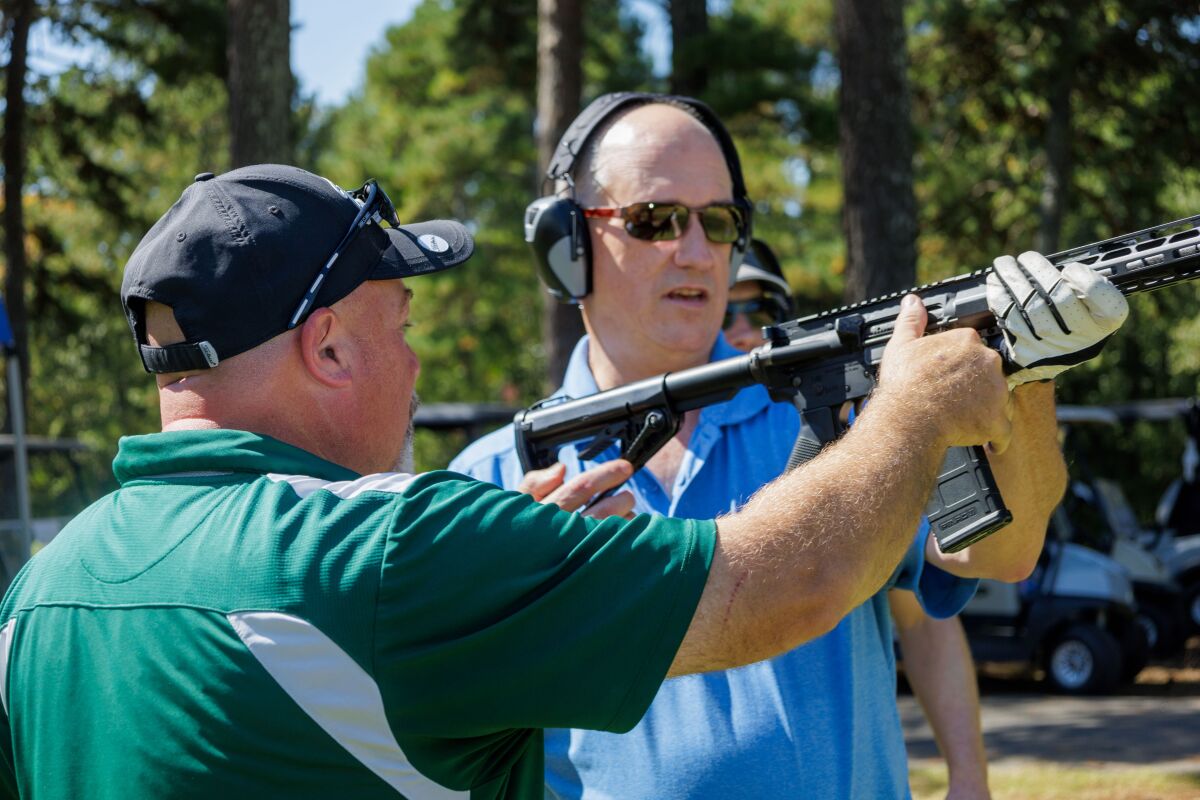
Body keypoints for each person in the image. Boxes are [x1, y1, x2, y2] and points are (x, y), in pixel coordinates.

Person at [0, 164, 1020, 799]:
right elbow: (790, 580)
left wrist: (503, 567)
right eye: (399, 327)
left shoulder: (38, 594)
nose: (414, 362)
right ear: (329, 348)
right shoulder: (399, 542)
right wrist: (914, 405)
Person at [451, 92, 1127, 798]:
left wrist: (1027, 379)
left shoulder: (835, 416)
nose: (696, 252)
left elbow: (1002, 552)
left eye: (719, 222)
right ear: (569, 247)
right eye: (656, 220)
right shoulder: (493, 482)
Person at [726, 239, 994, 797]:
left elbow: (921, 618)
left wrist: (968, 775)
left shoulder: (838, 432)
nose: (741, 327)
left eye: (761, 310)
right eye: (726, 309)